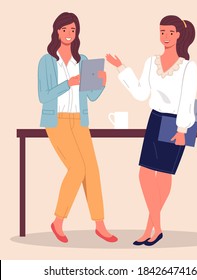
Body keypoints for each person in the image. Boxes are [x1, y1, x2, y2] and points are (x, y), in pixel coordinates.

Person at [106, 15, 197, 246]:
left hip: (177, 122)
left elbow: (188, 100)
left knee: (163, 175)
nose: (165, 37)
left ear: (179, 34)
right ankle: (156, 227)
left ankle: (151, 228)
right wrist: (121, 69)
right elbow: (140, 93)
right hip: (155, 118)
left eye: (169, 32)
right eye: (162, 32)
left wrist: (182, 129)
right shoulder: (151, 61)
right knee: (145, 174)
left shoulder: (188, 67)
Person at [38, 12, 117, 243]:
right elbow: (44, 96)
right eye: (64, 30)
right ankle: (58, 221)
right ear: (56, 32)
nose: (69, 34)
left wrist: (101, 83)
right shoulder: (46, 61)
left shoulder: (83, 60)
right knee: (77, 168)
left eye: (73, 30)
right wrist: (68, 83)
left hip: (80, 120)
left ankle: (100, 224)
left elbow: (91, 96)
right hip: (56, 120)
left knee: (91, 169)